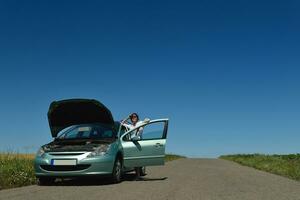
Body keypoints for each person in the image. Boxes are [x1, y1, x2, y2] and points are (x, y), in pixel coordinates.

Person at [122, 113, 145, 180]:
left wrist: (145, 123)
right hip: (132, 143)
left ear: (137, 117)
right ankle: (137, 175)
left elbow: (147, 120)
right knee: (134, 160)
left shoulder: (140, 122)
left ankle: (138, 175)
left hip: (139, 142)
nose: (133, 118)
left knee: (138, 159)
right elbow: (121, 123)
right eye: (132, 117)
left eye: (135, 116)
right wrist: (128, 117)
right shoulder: (130, 126)